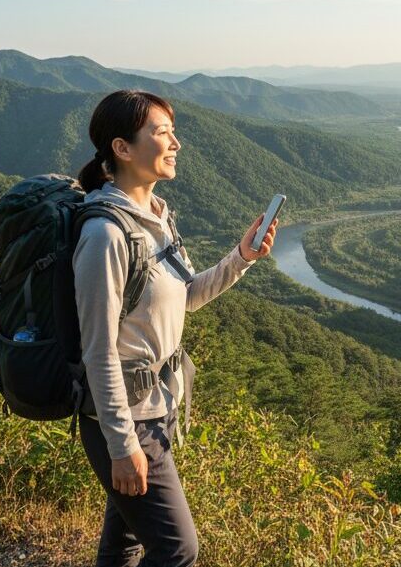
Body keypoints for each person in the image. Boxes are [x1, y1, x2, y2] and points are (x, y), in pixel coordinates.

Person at [73, 89, 277, 567]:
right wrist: (123, 445)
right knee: (177, 549)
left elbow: (183, 299)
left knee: (125, 543)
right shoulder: (106, 236)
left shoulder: (157, 219)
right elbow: (98, 351)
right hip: (126, 421)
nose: (175, 143)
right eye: (162, 132)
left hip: (157, 407)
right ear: (122, 148)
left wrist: (241, 257)